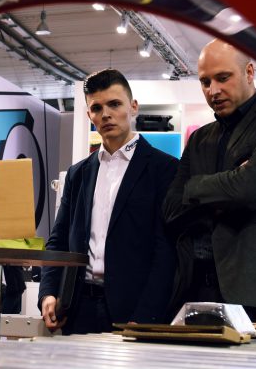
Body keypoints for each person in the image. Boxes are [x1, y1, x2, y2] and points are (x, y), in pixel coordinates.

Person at [164, 40, 256, 335]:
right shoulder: (200, 139)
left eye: (223, 78)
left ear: (248, 72)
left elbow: (250, 189)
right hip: (201, 291)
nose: (213, 91)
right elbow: (170, 208)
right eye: (205, 82)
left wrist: (197, 189)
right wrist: (229, 181)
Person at [39, 69, 178, 334]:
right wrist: (48, 294)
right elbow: (58, 241)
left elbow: (167, 251)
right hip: (77, 309)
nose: (106, 114)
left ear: (133, 106)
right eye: (96, 107)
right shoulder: (78, 173)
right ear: (89, 114)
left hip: (135, 312)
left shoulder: (165, 169)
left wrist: (147, 315)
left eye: (114, 104)